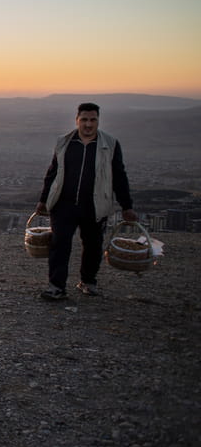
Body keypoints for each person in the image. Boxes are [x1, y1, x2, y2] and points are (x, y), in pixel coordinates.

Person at [35, 102, 138, 300]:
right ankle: (56, 286)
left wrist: (127, 206)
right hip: (63, 203)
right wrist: (43, 200)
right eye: (84, 120)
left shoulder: (110, 144)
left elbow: (119, 176)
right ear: (77, 120)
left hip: (94, 205)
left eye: (93, 120)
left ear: (98, 121)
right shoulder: (64, 142)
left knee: (93, 245)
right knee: (60, 243)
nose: (88, 124)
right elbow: (52, 172)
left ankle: (88, 281)